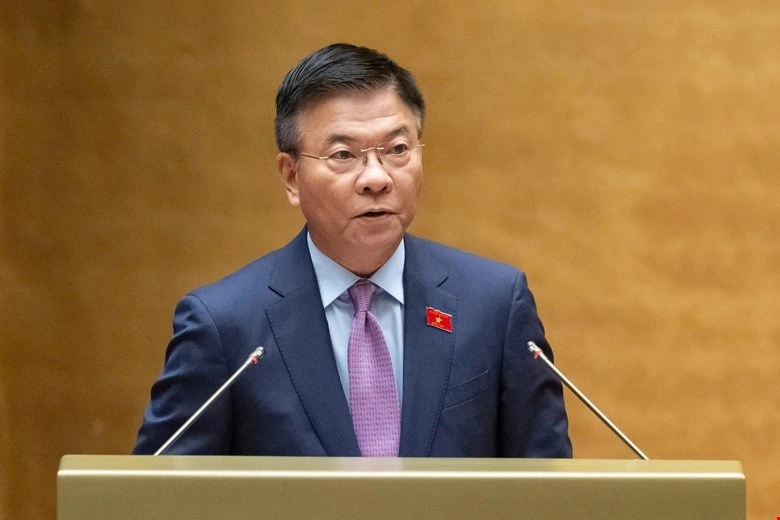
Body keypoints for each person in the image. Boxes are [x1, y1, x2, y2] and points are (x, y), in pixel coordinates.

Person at [133, 43, 571, 458]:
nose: (376, 178)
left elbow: (549, 489)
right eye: (344, 154)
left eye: (397, 149)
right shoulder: (226, 326)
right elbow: (155, 494)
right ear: (291, 177)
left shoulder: (494, 305)